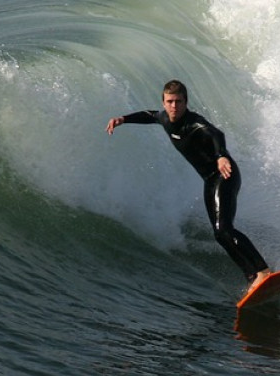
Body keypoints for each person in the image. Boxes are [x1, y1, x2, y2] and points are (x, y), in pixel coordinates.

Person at [105, 80, 271, 290]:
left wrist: (221, 156)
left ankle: (263, 271)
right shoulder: (164, 117)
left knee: (225, 230)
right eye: (170, 102)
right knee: (220, 234)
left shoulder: (195, 123)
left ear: (186, 102)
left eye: (179, 102)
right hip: (210, 180)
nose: (174, 106)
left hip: (224, 175)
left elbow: (216, 134)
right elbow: (149, 115)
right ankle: (252, 276)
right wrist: (123, 119)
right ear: (164, 102)